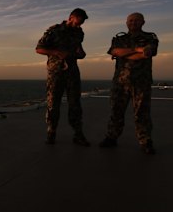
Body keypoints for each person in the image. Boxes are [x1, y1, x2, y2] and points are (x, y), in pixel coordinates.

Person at [99, 12, 158, 154]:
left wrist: (127, 53)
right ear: (126, 23)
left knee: (142, 113)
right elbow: (115, 51)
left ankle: (145, 142)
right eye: (131, 21)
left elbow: (147, 53)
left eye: (137, 21)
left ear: (143, 22)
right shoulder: (119, 38)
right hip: (121, 82)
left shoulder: (150, 37)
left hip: (141, 83)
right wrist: (136, 50)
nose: (133, 23)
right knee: (116, 111)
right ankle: (111, 137)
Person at [36, 8, 90, 146]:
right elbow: (39, 49)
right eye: (79, 21)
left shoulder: (79, 32)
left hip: (72, 72)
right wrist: (56, 53)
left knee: (75, 104)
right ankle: (51, 132)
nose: (80, 25)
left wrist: (81, 53)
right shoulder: (54, 30)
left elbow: (79, 48)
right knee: (53, 104)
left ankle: (78, 134)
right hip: (56, 73)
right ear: (71, 17)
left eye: (82, 23)